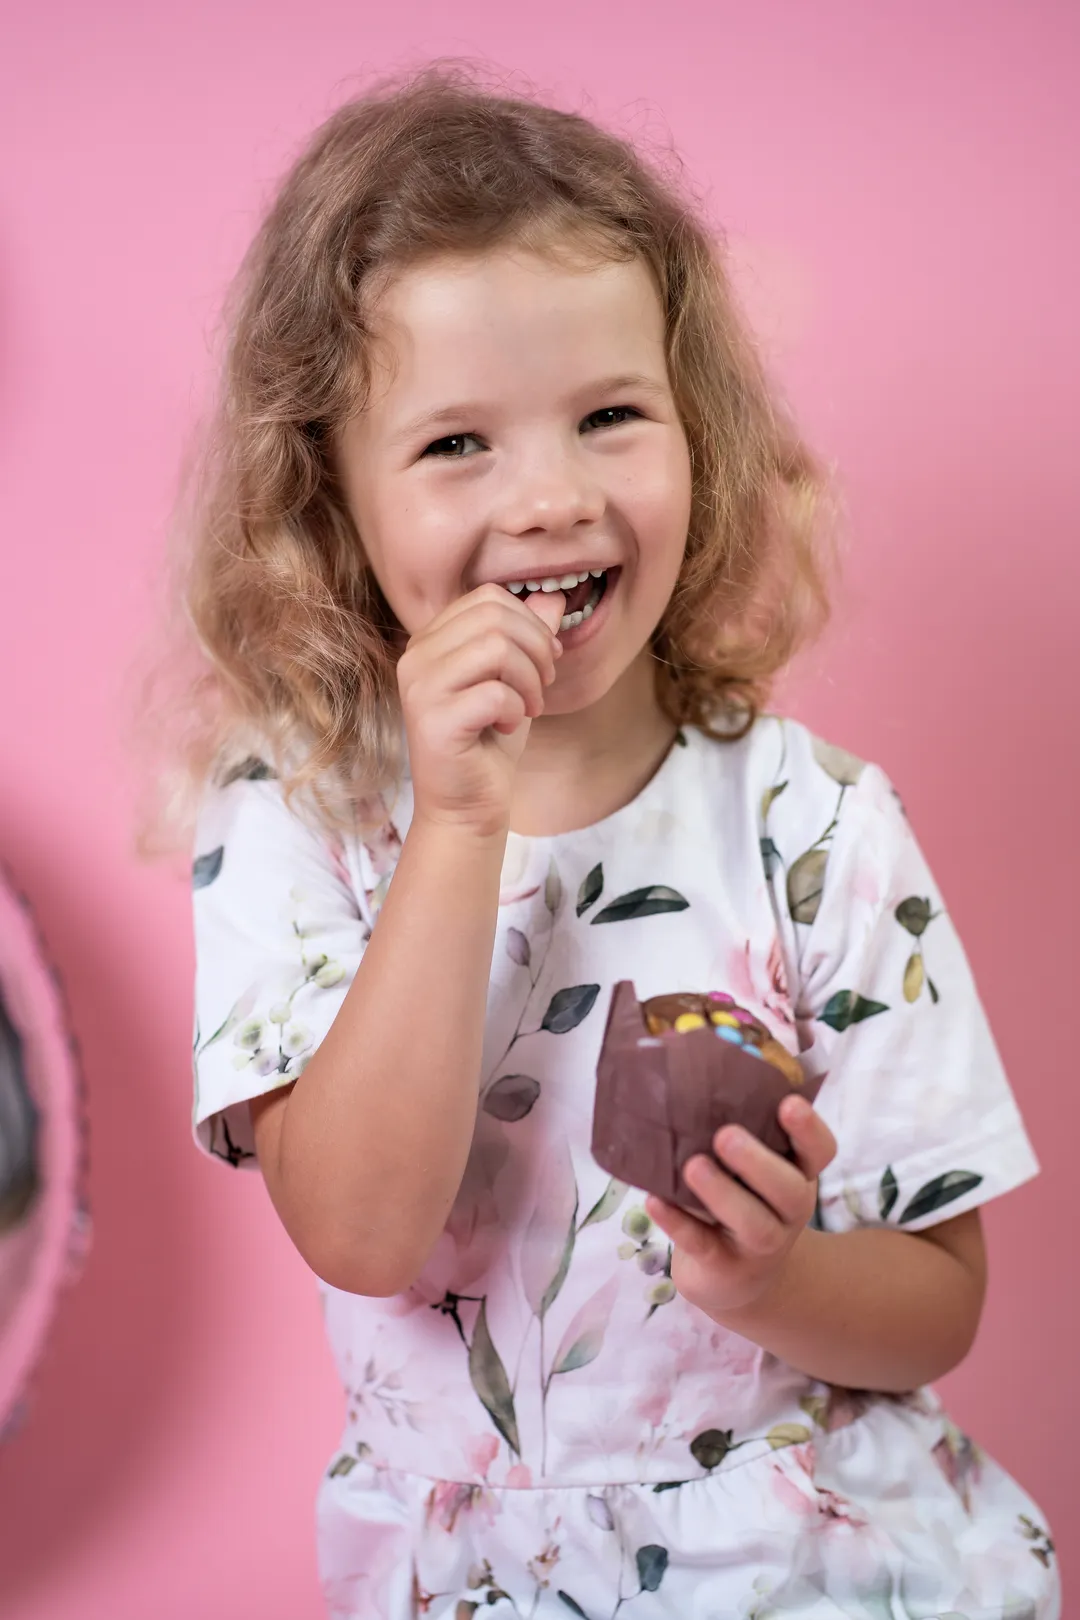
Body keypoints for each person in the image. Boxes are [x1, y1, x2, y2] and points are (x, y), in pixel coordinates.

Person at [172, 64, 1059, 1618]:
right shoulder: (293, 818)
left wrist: (781, 1281)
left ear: (694, 432)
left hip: (803, 1567)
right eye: (458, 445)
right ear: (332, 497)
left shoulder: (815, 826)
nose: (553, 496)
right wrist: (459, 819)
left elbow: (937, 1314)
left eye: (609, 416)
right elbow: (365, 1234)